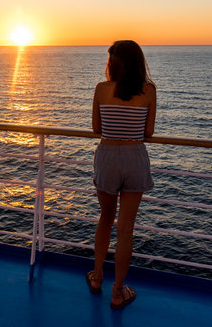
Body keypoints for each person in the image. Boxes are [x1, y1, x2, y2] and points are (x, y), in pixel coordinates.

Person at [86, 40, 156, 310]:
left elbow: (96, 128)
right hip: (134, 156)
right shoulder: (148, 91)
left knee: (105, 218)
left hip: (108, 156)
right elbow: (148, 133)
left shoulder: (101, 90)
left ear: (113, 63)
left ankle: (97, 277)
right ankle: (118, 292)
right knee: (126, 227)